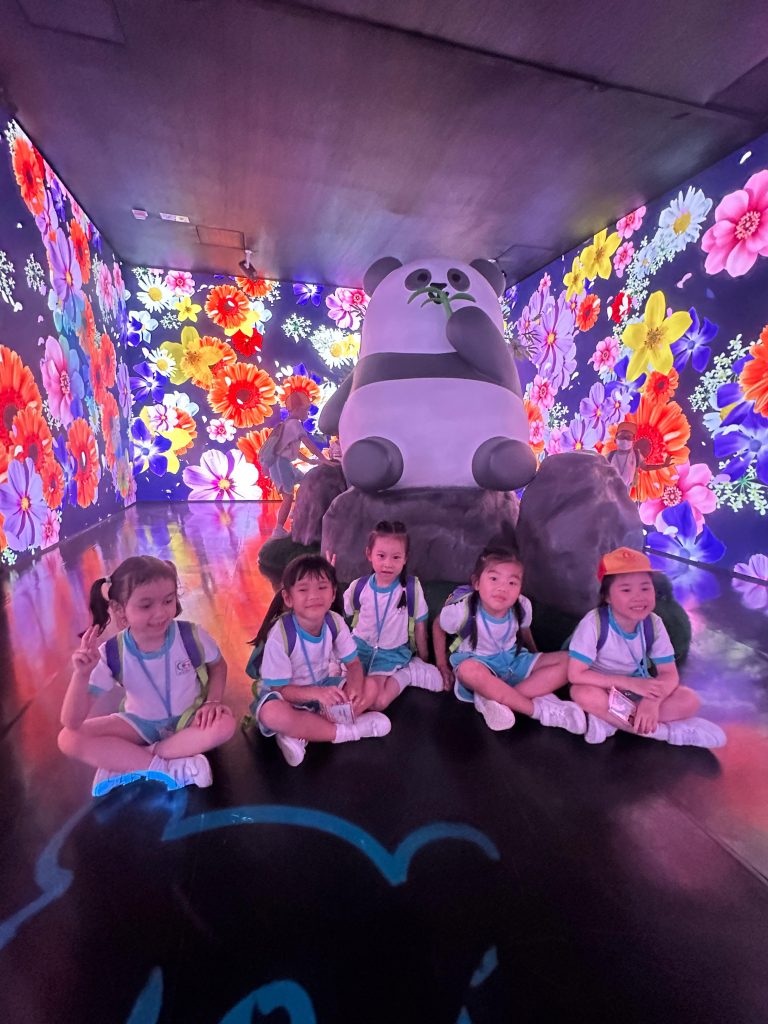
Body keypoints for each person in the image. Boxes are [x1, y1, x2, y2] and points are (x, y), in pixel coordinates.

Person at [58, 556, 236, 797]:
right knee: (68, 738)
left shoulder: (191, 636)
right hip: (139, 724)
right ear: (119, 609)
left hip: (189, 718)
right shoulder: (112, 652)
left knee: (225, 724)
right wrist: (81, 675)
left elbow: (218, 665)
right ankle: (168, 766)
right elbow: (71, 721)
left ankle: (133, 760)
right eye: (146, 606)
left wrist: (213, 701)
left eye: (168, 601)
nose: (160, 613)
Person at [568, 547, 726, 747]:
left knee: (689, 699)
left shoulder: (654, 623)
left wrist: (652, 702)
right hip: (603, 688)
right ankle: (662, 732)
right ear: (607, 596)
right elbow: (576, 675)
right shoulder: (594, 623)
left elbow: (669, 673)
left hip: (640, 690)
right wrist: (628, 683)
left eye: (645, 588)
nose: (639, 597)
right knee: (581, 693)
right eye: (626, 590)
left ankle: (610, 721)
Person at [248, 554, 391, 767]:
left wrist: (354, 689)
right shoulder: (281, 635)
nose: (314, 595)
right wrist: (316, 693)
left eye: (322, 587)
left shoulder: (335, 622)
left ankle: (301, 731)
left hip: (324, 688)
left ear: (333, 593)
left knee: (370, 686)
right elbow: (281, 689)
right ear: (288, 598)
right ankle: (346, 732)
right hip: (286, 695)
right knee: (271, 714)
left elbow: (353, 664)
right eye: (303, 589)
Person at [433, 544, 586, 734]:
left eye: (512, 583)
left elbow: (524, 631)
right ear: (477, 583)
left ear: (520, 587)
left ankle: (494, 697)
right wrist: (442, 664)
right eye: (494, 579)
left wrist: (537, 657)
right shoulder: (463, 611)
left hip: (513, 660)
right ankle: (540, 711)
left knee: (571, 661)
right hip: (479, 663)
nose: (502, 588)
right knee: (468, 670)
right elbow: (438, 625)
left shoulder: (522, 605)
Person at [342, 521, 444, 712]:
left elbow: (420, 626)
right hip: (359, 650)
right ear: (369, 554)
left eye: (396, 557)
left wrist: (424, 657)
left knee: (379, 702)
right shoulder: (359, 587)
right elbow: (339, 616)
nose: (388, 564)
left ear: (405, 558)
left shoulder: (411, 589)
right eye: (381, 556)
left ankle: (409, 673)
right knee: (350, 694)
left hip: (391, 654)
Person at [266, 390, 328, 539]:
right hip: (280, 464)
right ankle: (278, 529)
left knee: (306, 481)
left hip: (284, 463)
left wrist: (309, 461)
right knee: (288, 496)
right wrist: (324, 459)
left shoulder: (289, 424)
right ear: (298, 409)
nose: (307, 413)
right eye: (306, 409)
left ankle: (296, 510)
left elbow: (291, 449)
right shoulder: (295, 424)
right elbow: (308, 444)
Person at [607, 421, 672, 491]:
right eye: (622, 437)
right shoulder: (610, 455)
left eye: (628, 437)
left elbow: (645, 467)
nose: (625, 440)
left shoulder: (636, 455)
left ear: (633, 440)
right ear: (615, 439)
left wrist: (663, 465)